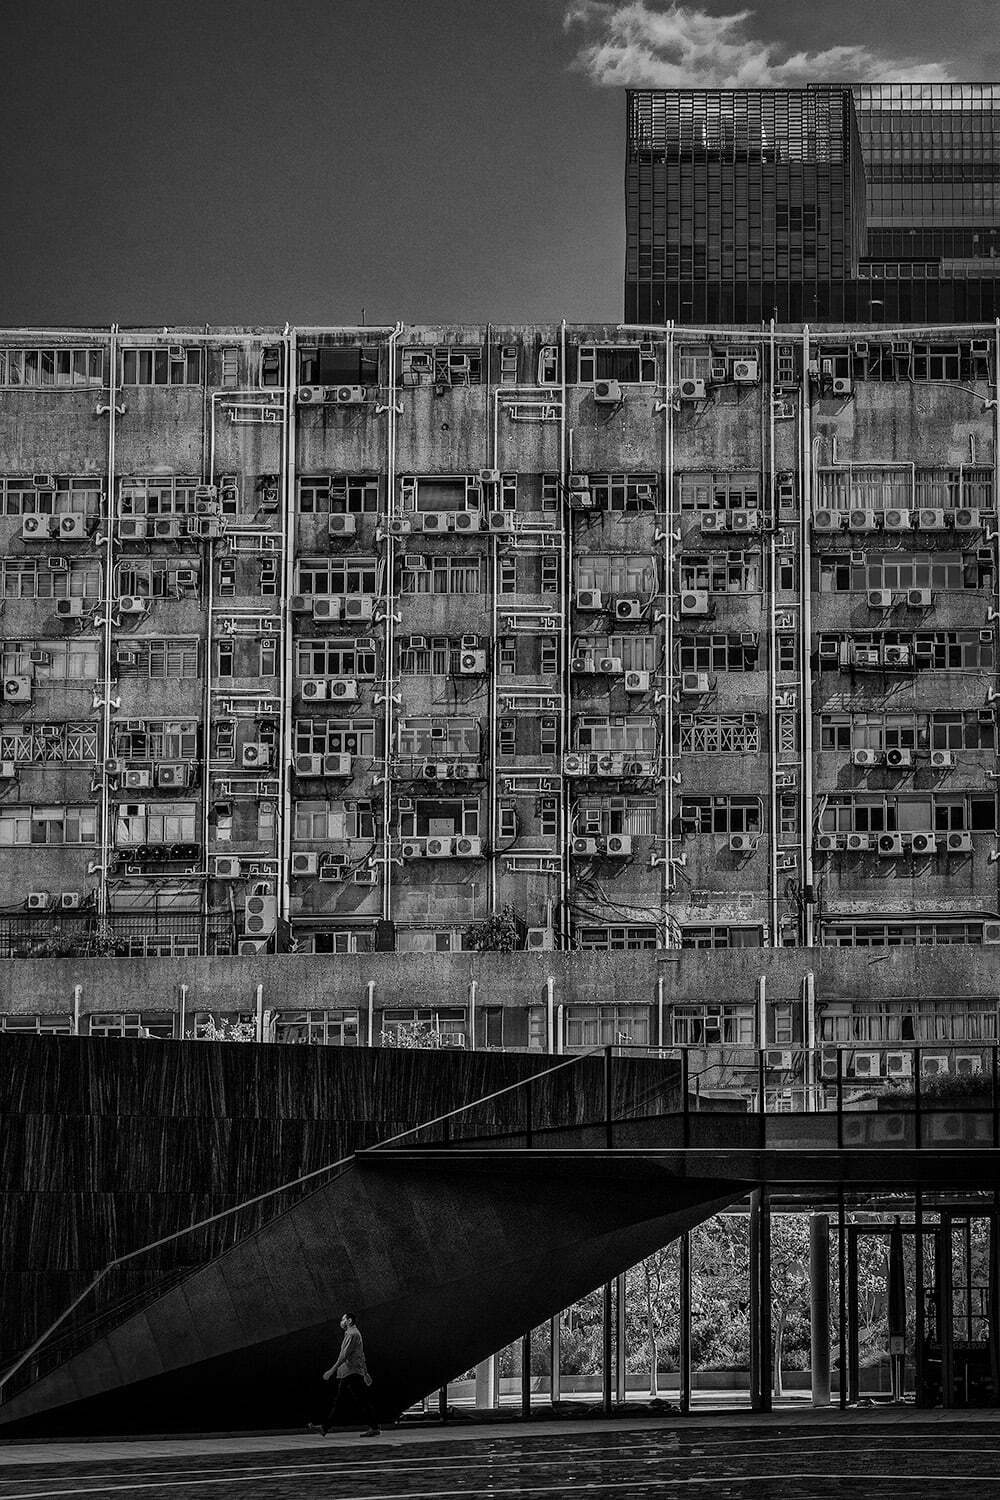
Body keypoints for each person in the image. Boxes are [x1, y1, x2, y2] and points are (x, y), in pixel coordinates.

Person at [321, 1312, 380, 1436]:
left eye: (343, 1319)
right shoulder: (354, 1334)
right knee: (358, 1400)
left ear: (349, 1321)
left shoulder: (352, 1334)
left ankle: (325, 1428)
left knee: (342, 1400)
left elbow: (344, 1355)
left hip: (350, 1372)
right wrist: (365, 1372)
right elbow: (361, 1354)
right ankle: (325, 1427)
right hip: (351, 1371)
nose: (342, 1322)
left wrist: (331, 1371)